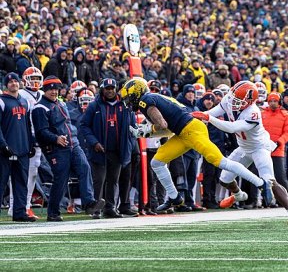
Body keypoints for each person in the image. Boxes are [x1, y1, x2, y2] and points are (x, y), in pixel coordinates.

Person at [119, 78, 274, 218]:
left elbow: (161, 125)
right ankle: (174, 197)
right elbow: (169, 128)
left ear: (136, 93)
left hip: (193, 130)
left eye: (128, 98)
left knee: (220, 162)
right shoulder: (152, 98)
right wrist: (148, 132)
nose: (128, 102)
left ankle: (262, 184)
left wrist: (148, 131)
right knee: (157, 162)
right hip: (182, 132)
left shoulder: (145, 101)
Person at [191, 81, 288, 230]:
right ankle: (238, 195)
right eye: (233, 97)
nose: (233, 102)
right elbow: (214, 111)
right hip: (243, 147)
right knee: (224, 179)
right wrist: (200, 116)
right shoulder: (229, 99)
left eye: (238, 101)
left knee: (270, 181)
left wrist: (208, 118)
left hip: (259, 148)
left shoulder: (253, 112)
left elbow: (231, 128)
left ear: (249, 102)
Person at [32, 76, 105, 221]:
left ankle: (89, 202)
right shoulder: (40, 108)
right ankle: (53, 212)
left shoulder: (61, 103)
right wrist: (56, 138)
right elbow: (41, 132)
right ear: (45, 90)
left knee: (85, 168)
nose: (54, 92)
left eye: (56, 89)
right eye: (50, 89)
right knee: (61, 179)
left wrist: (73, 138)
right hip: (56, 148)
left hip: (73, 143)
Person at [80, 78, 136, 218]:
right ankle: (96, 209)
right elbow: (84, 125)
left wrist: (128, 143)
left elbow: (133, 127)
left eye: (112, 88)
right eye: (107, 88)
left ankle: (110, 208)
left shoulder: (125, 105)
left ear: (116, 89)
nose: (110, 91)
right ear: (102, 90)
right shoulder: (95, 105)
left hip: (118, 150)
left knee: (113, 180)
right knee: (99, 180)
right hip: (100, 150)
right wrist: (94, 142)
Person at [0, 72, 36, 222]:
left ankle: (20, 212)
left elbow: (28, 125)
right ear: (6, 85)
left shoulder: (25, 102)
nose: (13, 84)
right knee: (1, 182)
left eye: (15, 81)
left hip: (22, 149)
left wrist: (31, 144)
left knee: (21, 182)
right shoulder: (1, 101)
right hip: (5, 150)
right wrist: (3, 145)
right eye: (10, 82)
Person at [262, 92, 288, 207]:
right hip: (263, 149)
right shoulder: (262, 114)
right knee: (260, 175)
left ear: (279, 102)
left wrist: (280, 142)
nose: (272, 103)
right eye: (270, 101)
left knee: (280, 176)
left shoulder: (285, 115)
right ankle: (260, 201)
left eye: (275, 101)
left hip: (278, 149)